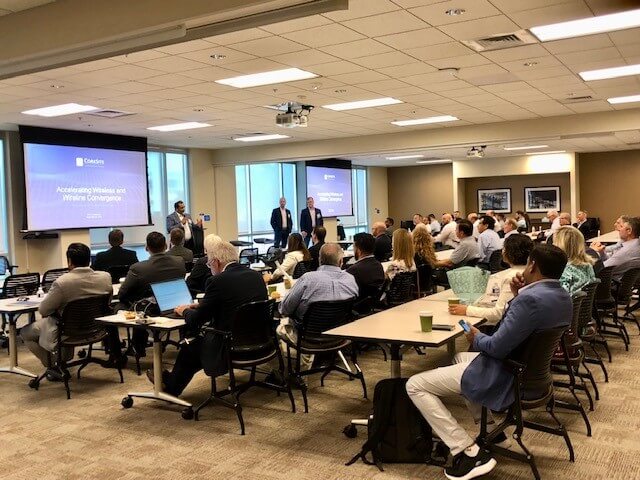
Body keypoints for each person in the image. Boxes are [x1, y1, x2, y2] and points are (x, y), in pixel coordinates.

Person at [406, 244, 572, 480]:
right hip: (533, 375)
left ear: (532, 265)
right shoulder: (562, 296)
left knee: (415, 384)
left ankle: (466, 450)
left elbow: (496, 347)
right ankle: (495, 433)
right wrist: (517, 296)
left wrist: (475, 335)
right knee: (458, 357)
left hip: (508, 375)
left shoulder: (531, 300)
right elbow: (523, 330)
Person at [158, 240, 268, 396]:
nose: (210, 269)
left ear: (216, 262)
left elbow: (196, 321)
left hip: (230, 346)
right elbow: (234, 300)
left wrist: (184, 311)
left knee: (190, 347)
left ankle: (170, 388)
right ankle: (169, 381)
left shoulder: (217, 281)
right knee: (197, 348)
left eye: (209, 265)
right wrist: (202, 305)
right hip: (260, 341)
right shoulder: (256, 276)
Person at [21, 243, 112, 368]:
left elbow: (44, 310)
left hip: (68, 331)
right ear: (89, 260)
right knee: (63, 321)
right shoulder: (105, 277)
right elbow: (107, 303)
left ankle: (53, 365)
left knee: (25, 332)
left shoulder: (62, 282)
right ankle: (62, 360)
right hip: (96, 329)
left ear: (69, 261)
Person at [278, 243, 358, 370]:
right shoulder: (350, 280)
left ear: (319, 260)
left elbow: (285, 309)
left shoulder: (307, 279)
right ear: (341, 261)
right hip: (339, 336)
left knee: (279, 328)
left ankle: (286, 373)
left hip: (308, 337)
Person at [117, 232, 186, 355]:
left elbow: (122, 294)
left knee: (122, 306)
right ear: (165, 245)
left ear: (146, 247)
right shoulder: (179, 262)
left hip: (150, 311)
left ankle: (133, 348)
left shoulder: (138, 268)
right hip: (174, 306)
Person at [449, 234, 533, 324]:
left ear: (509, 252)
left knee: (465, 326)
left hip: (505, 327)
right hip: (524, 323)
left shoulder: (512, 277)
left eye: (504, 248)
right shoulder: (531, 272)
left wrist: (467, 310)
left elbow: (498, 313)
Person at [591, 216, 640, 281]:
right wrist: (601, 252)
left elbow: (601, 269)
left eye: (621, 227)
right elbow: (611, 260)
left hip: (608, 284)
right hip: (621, 284)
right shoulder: (635, 245)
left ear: (629, 231)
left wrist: (592, 251)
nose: (619, 229)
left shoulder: (626, 251)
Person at [553, 226, 596, 295]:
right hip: (582, 305)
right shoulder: (588, 266)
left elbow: (560, 299)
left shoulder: (563, 272)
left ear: (559, 246)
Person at [346, 233, 385, 301]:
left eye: (354, 247)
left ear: (359, 251)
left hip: (356, 305)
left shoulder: (354, 270)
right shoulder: (378, 265)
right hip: (370, 304)